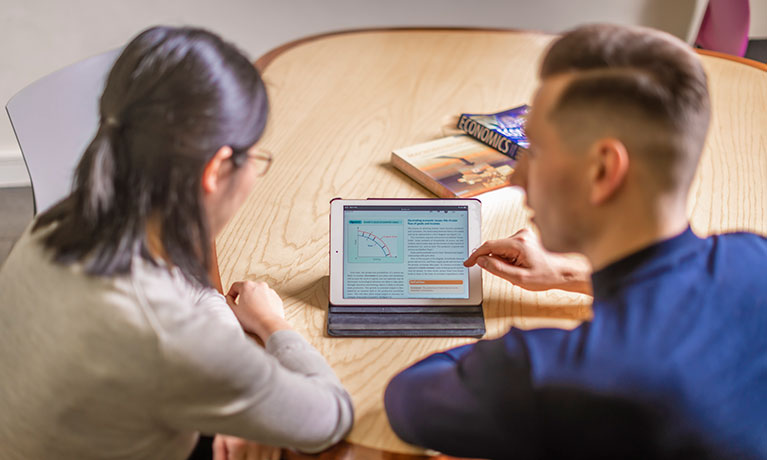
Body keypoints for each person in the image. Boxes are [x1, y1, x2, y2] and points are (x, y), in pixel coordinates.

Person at [384, 23, 767, 459]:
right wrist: (571, 273)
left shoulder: (567, 374)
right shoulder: (755, 253)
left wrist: (515, 359)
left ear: (602, 171)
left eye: (536, 149)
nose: (516, 173)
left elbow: (407, 400)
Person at [0, 26, 353, 460]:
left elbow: (181, 327)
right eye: (255, 158)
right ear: (217, 168)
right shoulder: (169, 338)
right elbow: (331, 417)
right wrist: (270, 325)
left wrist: (225, 393)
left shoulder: (63, 222)